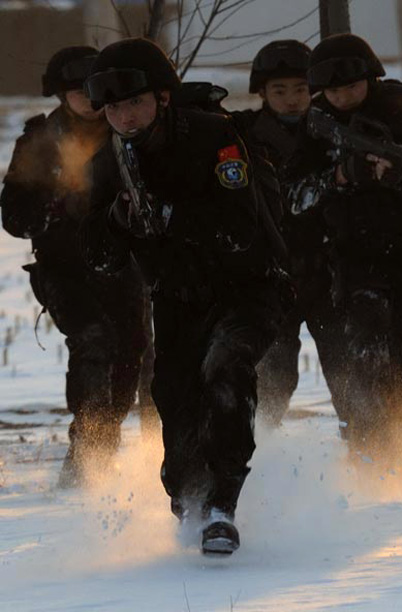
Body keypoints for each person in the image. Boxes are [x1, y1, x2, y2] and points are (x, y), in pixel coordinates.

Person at [80, 38, 290, 554]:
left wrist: (171, 215)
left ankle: (223, 505)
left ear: (163, 98)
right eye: (114, 109)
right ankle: (191, 507)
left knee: (226, 369)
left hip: (247, 288)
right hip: (176, 298)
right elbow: (100, 257)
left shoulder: (215, 137)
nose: (125, 117)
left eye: (135, 103)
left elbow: (240, 228)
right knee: (175, 402)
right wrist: (119, 219)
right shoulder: (108, 162)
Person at [292, 33, 402, 474]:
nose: (343, 97)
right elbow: (295, 196)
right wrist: (341, 176)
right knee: (365, 352)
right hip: (354, 258)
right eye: (333, 90)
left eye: (352, 86)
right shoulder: (316, 122)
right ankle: (368, 460)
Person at [0, 46, 147, 488]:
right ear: (61, 95)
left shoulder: (129, 132)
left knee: (131, 351)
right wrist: (52, 204)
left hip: (122, 267)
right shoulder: (39, 142)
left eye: (92, 88)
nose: (88, 99)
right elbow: (14, 218)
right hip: (64, 271)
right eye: (77, 91)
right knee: (93, 340)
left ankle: (105, 436)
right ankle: (87, 450)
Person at [230, 39, 342, 428]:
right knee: (272, 376)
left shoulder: (333, 131)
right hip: (271, 272)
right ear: (262, 92)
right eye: (280, 91)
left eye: (301, 89)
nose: (292, 99)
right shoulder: (242, 135)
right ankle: (261, 450)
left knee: (347, 371)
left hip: (329, 270)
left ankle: (368, 452)